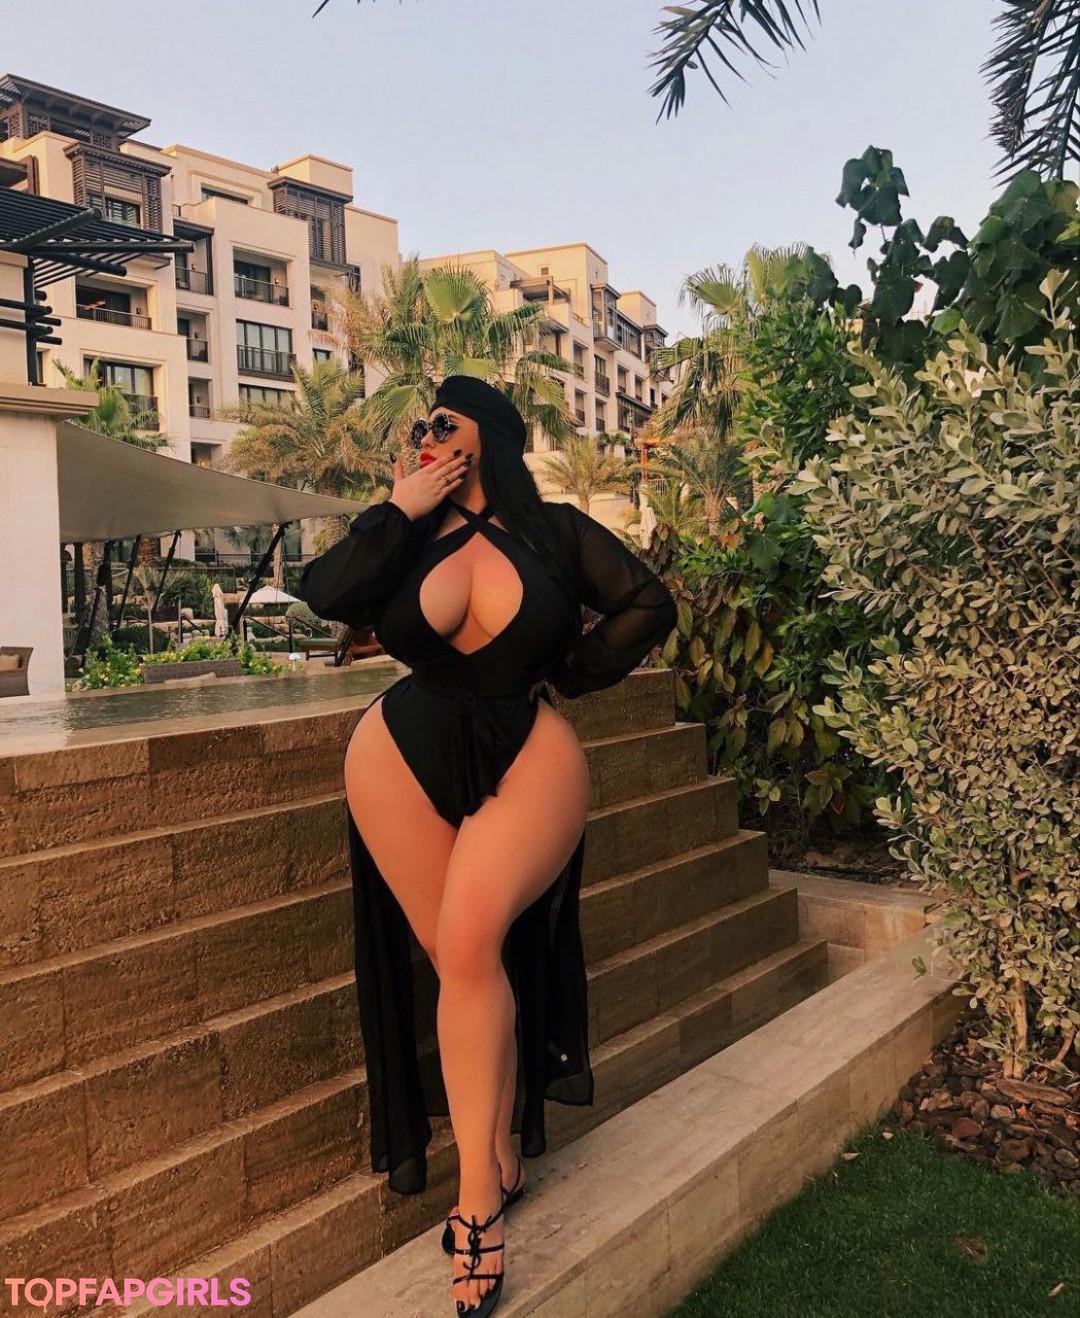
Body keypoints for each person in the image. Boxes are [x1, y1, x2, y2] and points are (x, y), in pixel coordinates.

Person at [299, 375, 677, 1317]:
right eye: (421, 425)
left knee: (469, 945)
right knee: (459, 959)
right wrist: (398, 508)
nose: (425, 435)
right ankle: (499, 1147)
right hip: (399, 751)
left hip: (525, 749)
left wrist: (570, 671)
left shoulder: (554, 532)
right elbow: (323, 594)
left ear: (489, 439)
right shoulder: (405, 532)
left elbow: (647, 602)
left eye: (444, 422)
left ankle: (476, 1209)